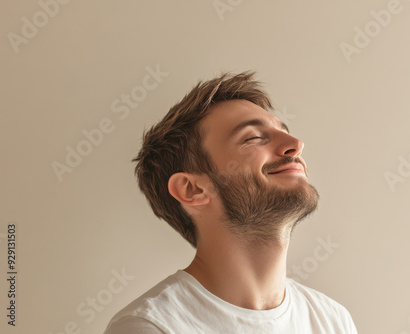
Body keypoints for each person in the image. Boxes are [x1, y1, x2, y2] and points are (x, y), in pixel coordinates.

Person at [104, 71, 358, 334]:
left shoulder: (333, 320)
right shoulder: (150, 327)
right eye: (254, 138)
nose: (296, 144)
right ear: (192, 189)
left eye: (285, 131)